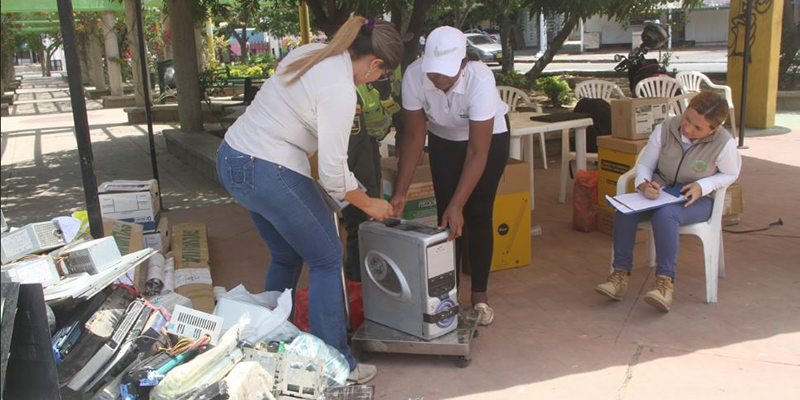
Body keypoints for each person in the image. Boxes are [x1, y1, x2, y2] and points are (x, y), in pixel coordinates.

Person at [216, 16, 404, 384]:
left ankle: (274, 341)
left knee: (287, 254)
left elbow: (291, 110)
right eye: (380, 75)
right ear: (375, 63)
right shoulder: (340, 89)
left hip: (234, 159)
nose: (375, 81)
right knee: (327, 256)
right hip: (269, 167)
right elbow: (333, 175)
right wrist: (369, 203)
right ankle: (335, 365)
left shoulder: (312, 52)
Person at [390, 26, 510, 326]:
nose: (438, 80)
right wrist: (401, 191)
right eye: (433, 73)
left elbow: (477, 152)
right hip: (443, 139)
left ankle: (480, 296)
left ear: (463, 63)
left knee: (478, 210)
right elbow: (414, 136)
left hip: (487, 140)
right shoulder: (415, 75)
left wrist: (460, 204)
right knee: (446, 215)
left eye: (445, 73)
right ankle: (448, 295)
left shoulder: (480, 78)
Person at [595, 91, 741, 312]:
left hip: (695, 200)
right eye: (687, 119)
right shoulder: (665, 129)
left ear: (713, 129)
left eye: (698, 128)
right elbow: (645, 165)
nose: (688, 129)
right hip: (659, 193)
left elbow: (731, 174)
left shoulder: (723, 143)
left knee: (666, 216)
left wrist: (704, 186)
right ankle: (619, 276)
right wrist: (644, 184)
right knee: (624, 210)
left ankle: (664, 283)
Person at [343, 68, 403, 282]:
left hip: (370, 141)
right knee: (360, 215)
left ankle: (362, 273)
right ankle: (359, 280)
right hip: (354, 142)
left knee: (367, 212)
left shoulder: (392, 68)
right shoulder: (352, 78)